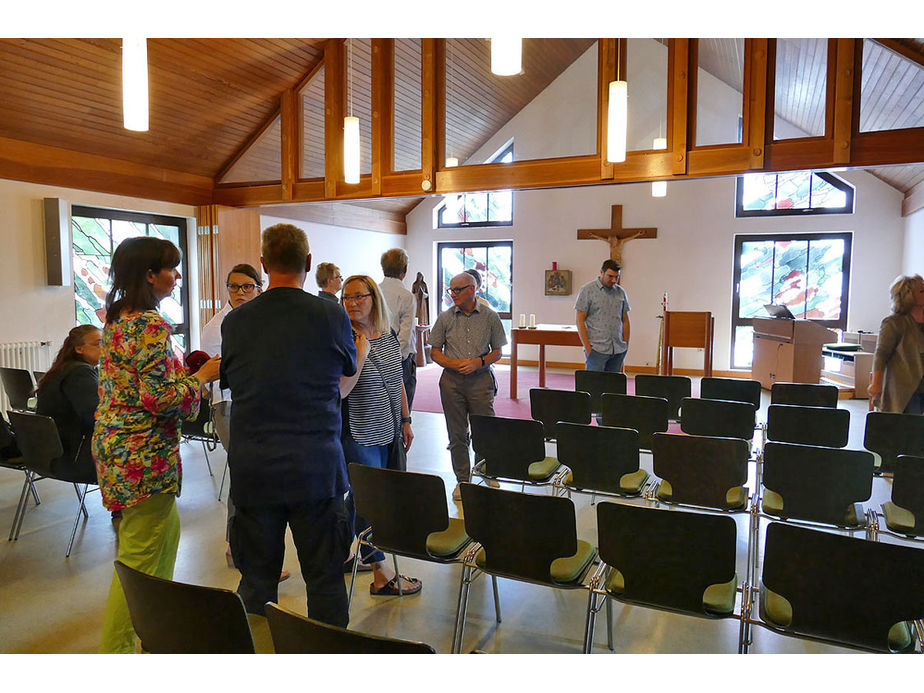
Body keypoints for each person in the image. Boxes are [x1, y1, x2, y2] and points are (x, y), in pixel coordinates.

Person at [220, 223, 356, 626]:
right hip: (315, 465)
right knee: (326, 580)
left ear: (262, 265)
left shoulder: (236, 321)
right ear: (309, 263)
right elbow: (348, 367)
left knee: (256, 582)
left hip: (254, 467)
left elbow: (233, 379)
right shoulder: (330, 314)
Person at [93, 236, 221, 653]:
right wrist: (202, 378)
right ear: (150, 274)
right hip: (141, 457)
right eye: (172, 268)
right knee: (139, 561)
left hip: (118, 449)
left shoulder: (116, 318)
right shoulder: (148, 324)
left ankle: (152, 635)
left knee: (162, 539)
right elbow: (164, 400)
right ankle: (118, 652)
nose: (178, 275)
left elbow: (140, 385)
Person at [200, 264, 290, 582]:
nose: (240, 293)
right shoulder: (218, 327)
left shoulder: (259, 319)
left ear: (259, 287)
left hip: (256, 406)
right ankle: (244, 551)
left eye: (247, 287)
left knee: (249, 478)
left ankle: (240, 548)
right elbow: (229, 375)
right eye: (234, 287)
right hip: (231, 408)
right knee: (247, 477)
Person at [339, 275, 420, 596]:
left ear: (374, 298)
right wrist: (360, 353)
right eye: (347, 297)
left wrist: (406, 419)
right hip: (358, 431)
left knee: (363, 498)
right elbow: (341, 390)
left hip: (388, 427)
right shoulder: (343, 337)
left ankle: (338, 550)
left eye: (359, 296)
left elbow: (396, 378)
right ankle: (380, 571)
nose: (352, 303)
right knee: (370, 499)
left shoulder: (386, 336)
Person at [429, 272, 507, 501]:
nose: (452, 294)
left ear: (472, 290)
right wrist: (454, 364)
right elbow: (434, 351)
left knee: (484, 429)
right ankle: (463, 480)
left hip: (481, 380)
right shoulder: (445, 318)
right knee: (457, 433)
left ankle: (485, 471)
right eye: (450, 290)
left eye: (457, 290)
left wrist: (478, 362)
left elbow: (498, 351)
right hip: (452, 382)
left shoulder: (490, 317)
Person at [36, 324, 101, 484]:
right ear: (79, 349)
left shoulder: (63, 368)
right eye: (99, 344)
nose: (107, 348)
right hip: (74, 457)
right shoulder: (80, 373)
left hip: (46, 453)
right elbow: (96, 417)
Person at [869, 274, 924, 414]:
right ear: (908, 295)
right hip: (905, 389)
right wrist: (876, 383)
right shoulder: (894, 323)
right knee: (906, 430)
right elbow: (881, 354)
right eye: (922, 291)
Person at [378, 248, 418, 411]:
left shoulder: (374, 291)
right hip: (399, 359)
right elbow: (405, 334)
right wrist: (393, 358)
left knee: (382, 405)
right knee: (402, 407)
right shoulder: (406, 296)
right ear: (405, 269)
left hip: (374, 354)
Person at [575, 259, 631, 373]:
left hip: (618, 349)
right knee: (594, 386)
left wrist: (625, 344)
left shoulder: (621, 292)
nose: (614, 280)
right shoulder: (587, 290)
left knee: (613, 387)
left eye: (617, 277)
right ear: (601, 272)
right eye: (610, 276)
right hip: (596, 349)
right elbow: (580, 320)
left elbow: (625, 320)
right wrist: (588, 348)